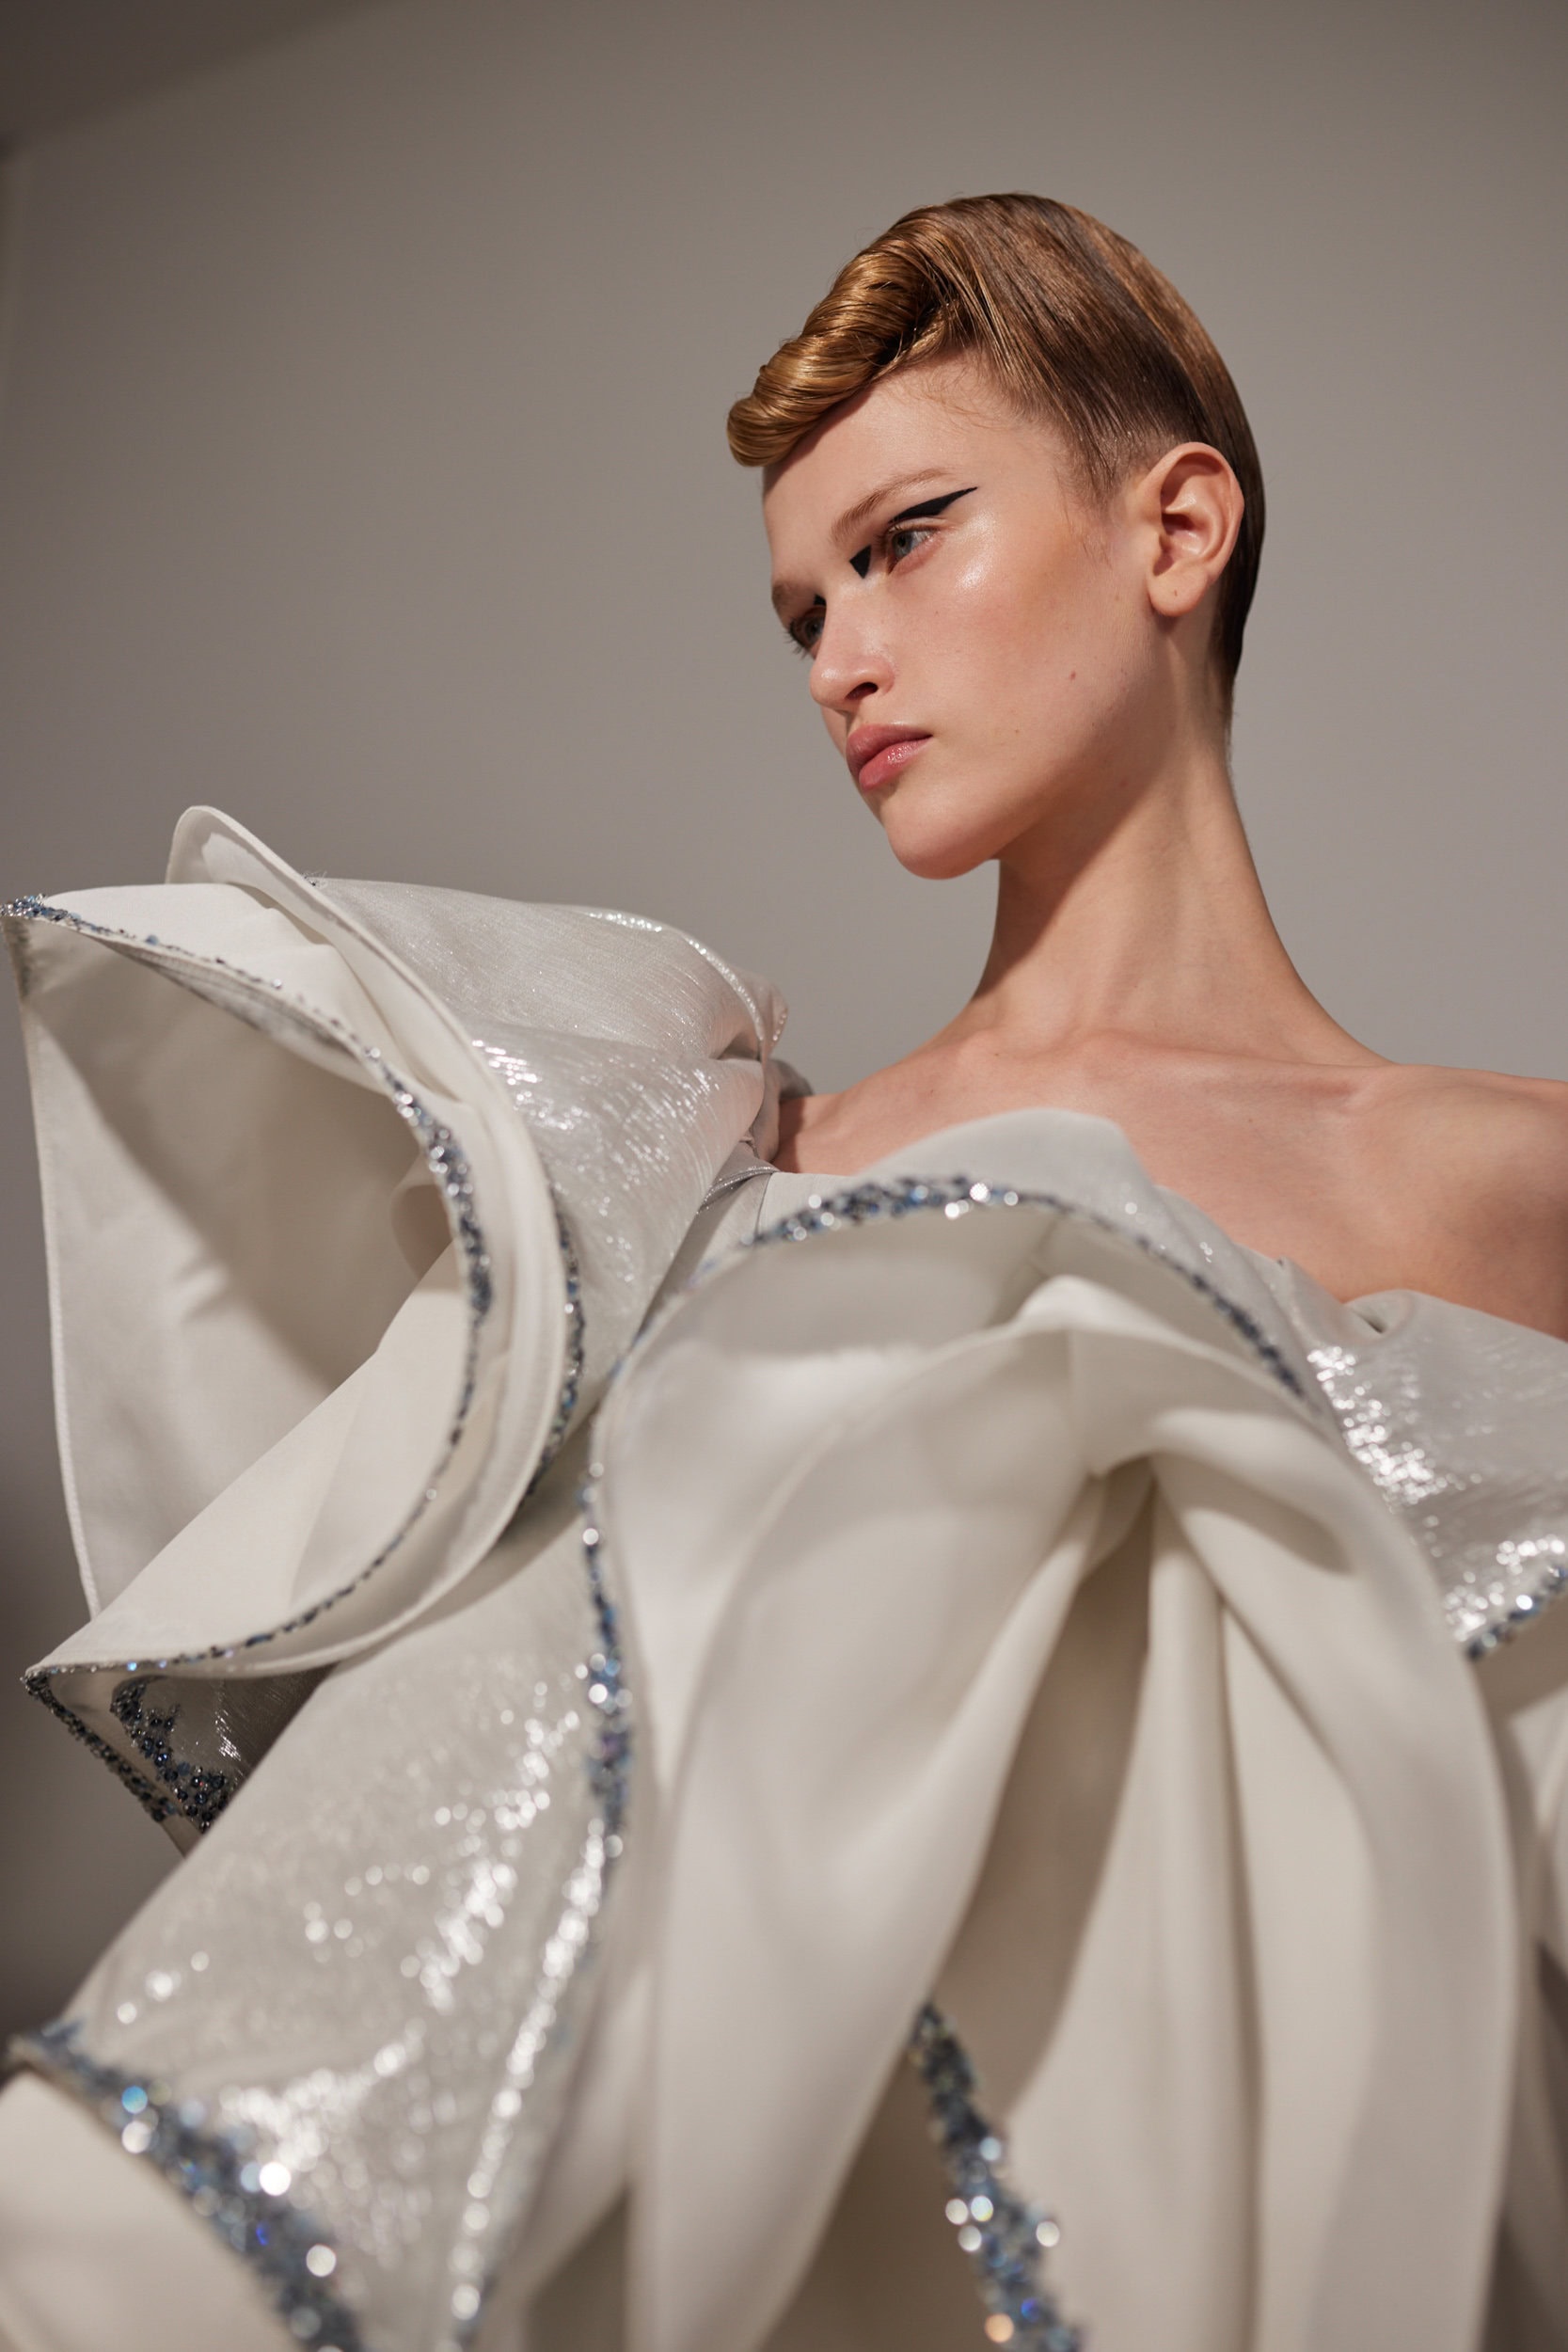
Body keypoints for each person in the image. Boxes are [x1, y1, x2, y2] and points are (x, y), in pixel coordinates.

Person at [0, 194, 1564, 2352]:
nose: (839, 657)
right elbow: (509, 1821)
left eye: (907, 539)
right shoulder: (751, 1166)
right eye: (805, 606)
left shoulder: (1510, 1182)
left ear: (1178, 527)